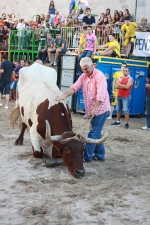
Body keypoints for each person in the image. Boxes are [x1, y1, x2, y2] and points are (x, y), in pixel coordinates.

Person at [55, 57, 110, 162]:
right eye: (83, 69)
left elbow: (101, 95)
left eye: (86, 69)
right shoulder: (83, 76)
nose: (85, 71)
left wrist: (95, 108)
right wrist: (65, 95)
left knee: (93, 133)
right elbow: (74, 87)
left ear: (92, 66)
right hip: (92, 109)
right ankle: (100, 155)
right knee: (96, 132)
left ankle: (87, 156)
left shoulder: (100, 76)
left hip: (101, 109)